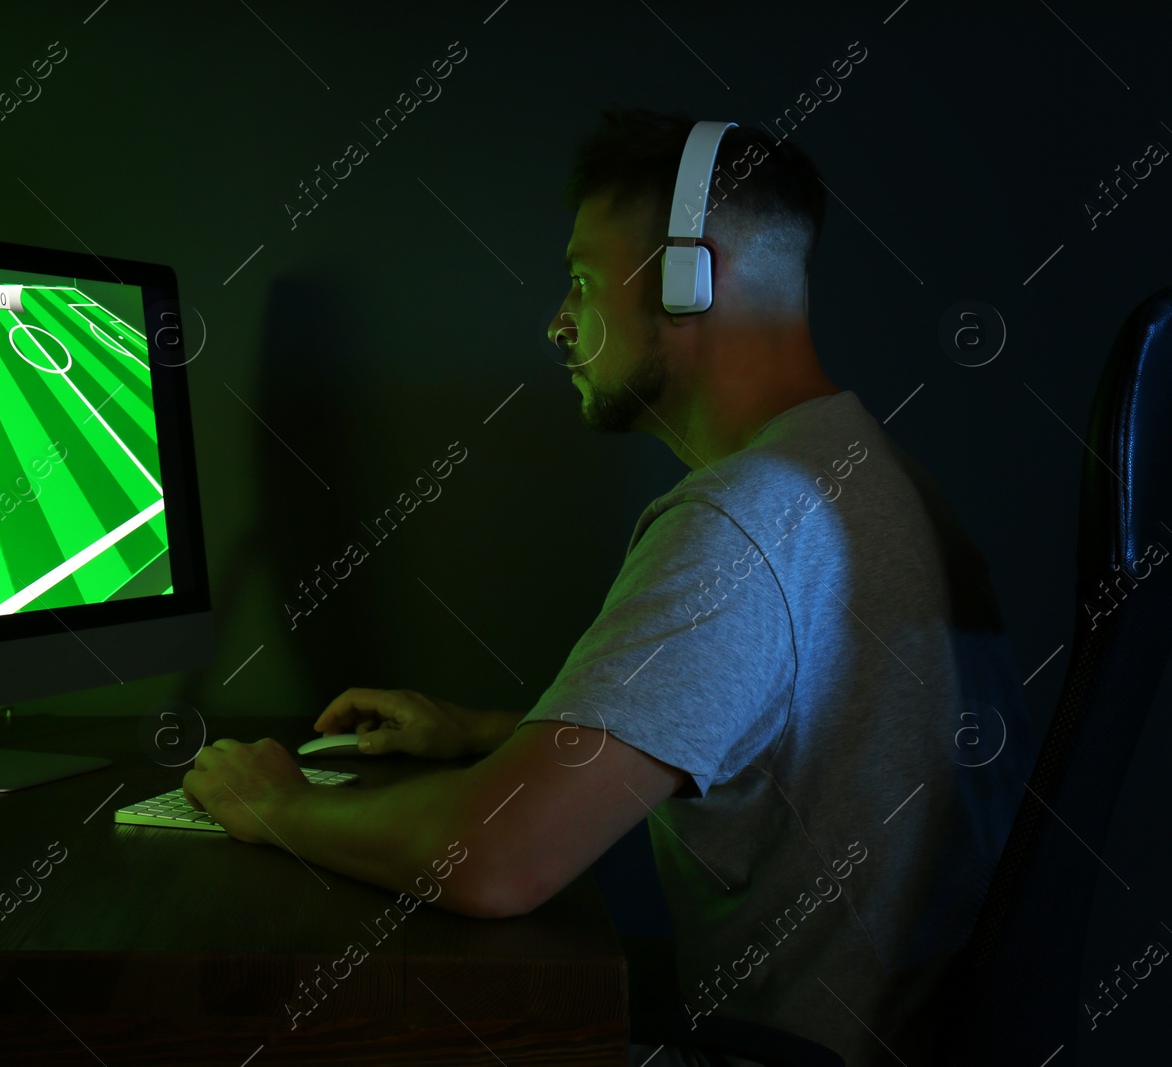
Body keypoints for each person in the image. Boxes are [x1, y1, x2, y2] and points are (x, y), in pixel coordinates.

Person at [182, 107, 1036, 1066]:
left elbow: (498, 860)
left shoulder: (743, 519)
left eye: (582, 280)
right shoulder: (862, 472)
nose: (558, 320)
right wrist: (490, 731)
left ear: (687, 276)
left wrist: (276, 807)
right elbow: (787, 740)